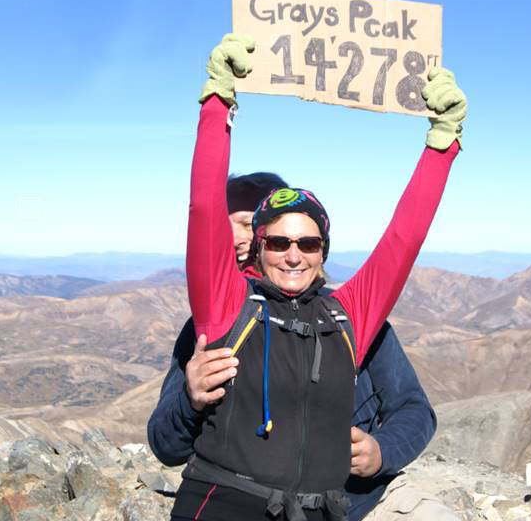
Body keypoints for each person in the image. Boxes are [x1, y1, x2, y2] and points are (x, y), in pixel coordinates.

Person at [172, 33, 466, 521]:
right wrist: (218, 99)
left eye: (308, 243)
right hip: (221, 505)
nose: (293, 255)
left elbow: (403, 240)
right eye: (278, 242)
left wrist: (443, 142)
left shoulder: (347, 315)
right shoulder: (225, 303)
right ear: (257, 247)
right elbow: (204, 206)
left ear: (323, 251)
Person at [148, 174, 456, 520]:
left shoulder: (348, 320)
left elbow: (414, 409)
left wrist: (383, 451)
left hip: (357, 502)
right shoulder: (210, 326)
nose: (236, 238)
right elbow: (166, 444)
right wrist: (190, 400)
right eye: (227, 225)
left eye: (248, 224)